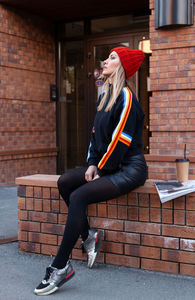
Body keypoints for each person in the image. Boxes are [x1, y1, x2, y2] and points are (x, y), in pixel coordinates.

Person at [34, 46, 148, 296]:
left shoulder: (127, 97)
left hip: (129, 168)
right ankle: (88, 236)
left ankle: (60, 267)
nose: (105, 61)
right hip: (109, 165)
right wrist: (92, 163)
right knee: (65, 182)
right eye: (107, 56)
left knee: (78, 196)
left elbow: (120, 140)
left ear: (122, 66)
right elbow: (96, 135)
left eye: (112, 58)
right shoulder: (105, 95)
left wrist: (102, 169)